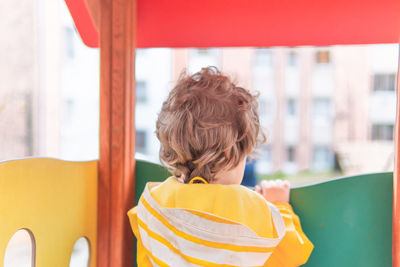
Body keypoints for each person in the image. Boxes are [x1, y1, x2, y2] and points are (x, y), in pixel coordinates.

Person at [128, 67, 313, 266]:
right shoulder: (257, 212)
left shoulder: (154, 201)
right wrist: (280, 207)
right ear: (245, 147)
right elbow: (293, 254)